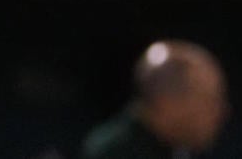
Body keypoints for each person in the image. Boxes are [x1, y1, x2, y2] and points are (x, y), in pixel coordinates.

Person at [82, 40, 229, 159]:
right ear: (167, 103)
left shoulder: (175, 147)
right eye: (209, 101)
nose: (221, 113)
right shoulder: (114, 153)